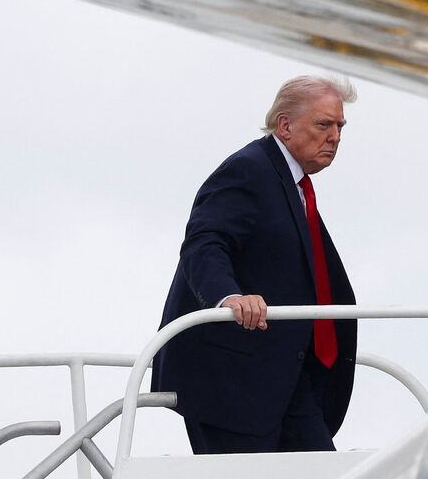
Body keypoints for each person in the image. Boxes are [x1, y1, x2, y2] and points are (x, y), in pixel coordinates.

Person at [150, 75, 358, 454]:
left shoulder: (293, 184)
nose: (335, 137)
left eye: (340, 127)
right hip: (230, 381)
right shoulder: (249, 169)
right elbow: (204, 242)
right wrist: (228, 297)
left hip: (285, 376)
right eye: (323, 124)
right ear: (285, 125)